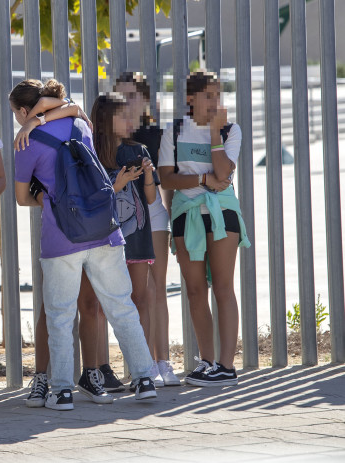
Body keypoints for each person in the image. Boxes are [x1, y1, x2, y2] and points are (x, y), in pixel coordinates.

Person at [11, 79, 157, 411]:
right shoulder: (80, 123)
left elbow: (22, 198)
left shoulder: (25, 141)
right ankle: (144, 379)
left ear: (23, 110)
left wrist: (50, 200)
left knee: (60, 315)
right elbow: (74, 106)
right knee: (122, 306)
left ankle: (62, 391)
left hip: (61, 236)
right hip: (103, 228)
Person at [12, 95, 117, 406]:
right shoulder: (62, 127)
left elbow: (73, 107)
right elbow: (72, 106)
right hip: (76, 229)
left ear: (22, 110)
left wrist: (34, 120)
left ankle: (87, 373)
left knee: (78, 306)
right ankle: (50, 377)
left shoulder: (55, 127)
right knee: (71, 307)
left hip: (83, 227)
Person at [158, 70, 250, 387]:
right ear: (190, 98)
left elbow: (224, 173)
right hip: (185, 214)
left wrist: (214, 135)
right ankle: (207, 361)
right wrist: (200, 179)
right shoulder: (174, 131)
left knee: (223, 287)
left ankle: (226, 365)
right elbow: (167, 178)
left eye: (218, 95)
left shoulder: (229, 129)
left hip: (222, 211)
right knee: (196, 290)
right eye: (208, 95)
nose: (215, 101)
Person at [114, 72, 179, 386]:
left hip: (153, 217)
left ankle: (163, 362)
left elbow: (167, 184)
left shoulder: (157, 134)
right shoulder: (112, 135)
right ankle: (141, 366)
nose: (126, 102)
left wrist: (173, 225)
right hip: (123, 220)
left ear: (146, 100)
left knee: (157, 291)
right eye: (120, 95)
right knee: (135, 294)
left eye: (132, 95)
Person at [93, 93, 158, 392]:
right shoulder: (93, 152)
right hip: (104, 239)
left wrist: (146, 175)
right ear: (106, 120)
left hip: (138, 235)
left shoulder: (139, 149)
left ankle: (138, 369)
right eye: (123, 116)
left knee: (139, 300)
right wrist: (117, 182)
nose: (130, 122)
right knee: (105, 304)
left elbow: (151, 198)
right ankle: (103, 368)